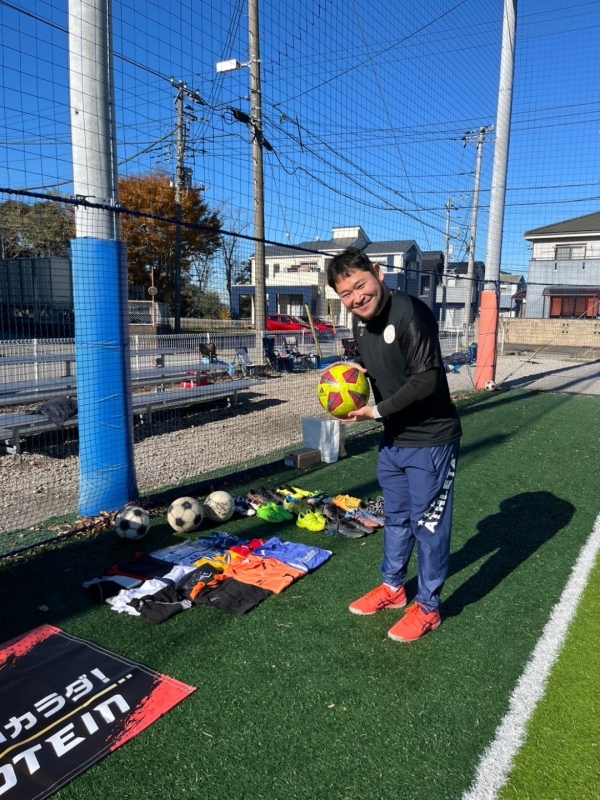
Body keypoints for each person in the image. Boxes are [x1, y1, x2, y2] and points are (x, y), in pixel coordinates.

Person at [326, 247, 462, 642]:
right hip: (394, 440)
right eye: (346, 294)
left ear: (378, 273)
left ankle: (429, 608)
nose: (357, 298)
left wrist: (375, 412)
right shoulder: (360, 323)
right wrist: (354, 375)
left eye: (360, 285)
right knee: (397, 519)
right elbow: (380, 366)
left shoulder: (411, 313)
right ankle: (394, 588)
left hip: (431, 439)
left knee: (429, 526)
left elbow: (425, 380)